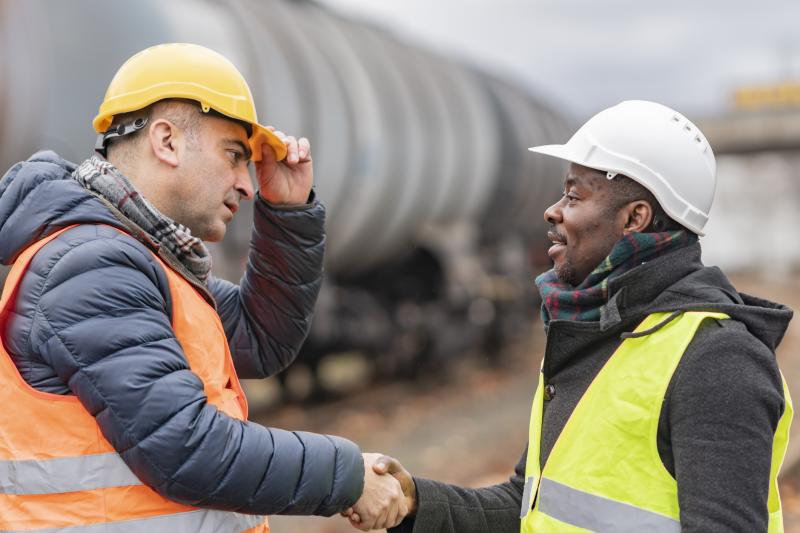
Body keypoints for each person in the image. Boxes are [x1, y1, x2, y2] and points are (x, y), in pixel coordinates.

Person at [0, 43, 406, 532]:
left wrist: (289, 211)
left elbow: (260, 339)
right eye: (234, 155)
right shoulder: (92, 267)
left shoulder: (144, 260)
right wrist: (348, 475)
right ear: (167, 141)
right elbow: (188, 448)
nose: (247, 185)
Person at [346, 100, 794, 532]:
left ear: (634, 218)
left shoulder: (718, 360)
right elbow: (528, 508)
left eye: (573, 196)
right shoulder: (597, 331)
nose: (552, 210)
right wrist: (415, 503)